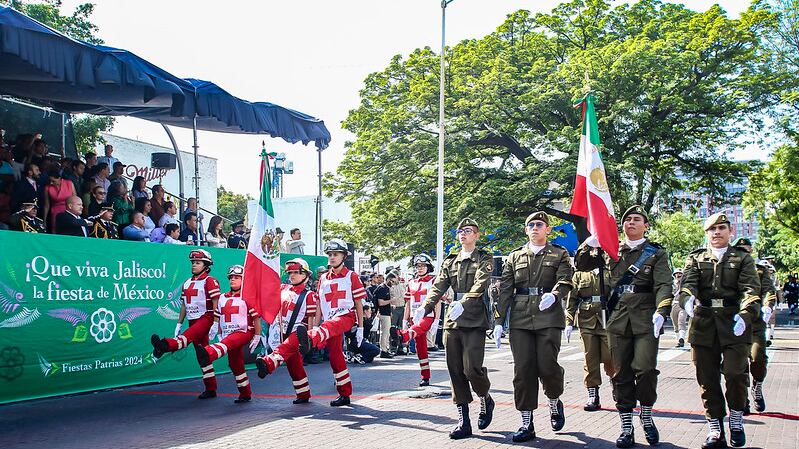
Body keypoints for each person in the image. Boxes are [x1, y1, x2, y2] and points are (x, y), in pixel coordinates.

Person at [575, 205, 672, 448]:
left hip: (645, 318)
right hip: (617, 319)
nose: (630, 223)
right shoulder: (610, 249)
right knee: (620, 373)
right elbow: (582, 264)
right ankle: (626, 423)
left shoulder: (656, 253)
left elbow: (663, 284)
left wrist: (662, 310)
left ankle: (646, 414)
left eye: (636, 220)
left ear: (646, 226)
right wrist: (591, 243)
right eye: (627, 219)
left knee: (646, 368)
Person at [678, 213, 760, 448]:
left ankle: (735, 418)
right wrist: (688, 301)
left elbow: (750, 288)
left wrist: (746, 313)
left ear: (730, 231)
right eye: (712, 229)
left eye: (721, 228)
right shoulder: (696, 258)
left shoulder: (742, 258)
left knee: (736, 372)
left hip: (734, 321)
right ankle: (715, 426)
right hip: (704, 323)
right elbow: (687, 286)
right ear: (706, 233)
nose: (717, 233)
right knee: (707, 378)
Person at [495, 211, 573, 442]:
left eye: (540, 224)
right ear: (526, 230)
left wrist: (556, 294)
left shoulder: (560, 253)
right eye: (531, 225)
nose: (535, 228)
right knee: (523, 370)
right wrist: (499, 322)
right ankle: (526, 422)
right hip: (520, 319)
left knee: (547, 366)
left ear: (548, 229)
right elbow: (506, 290)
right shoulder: (514, 256)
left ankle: (554, 400)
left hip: (548, 316)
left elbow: (566, 279)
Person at [420, 218, 494, 440]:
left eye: (468, 231)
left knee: (472, 369)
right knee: (455, 371)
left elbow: (481, 284)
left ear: (477, 235)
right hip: (453, 321)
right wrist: (426, 305)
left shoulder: (484, 257)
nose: (463, 234)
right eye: (461, 231)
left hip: (474, 318)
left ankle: (485, 397)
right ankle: (464, 420)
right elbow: (439, 285)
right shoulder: (450, 261)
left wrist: (464, 302)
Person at [151, 249, 222, 399]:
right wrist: (179, 323)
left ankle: (164, 346)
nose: (194, 265)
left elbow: (217, 303)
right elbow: (184, 305)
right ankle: (211, 389)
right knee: (202, 355)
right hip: (192, 319)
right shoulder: (187, 283)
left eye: (198, 262)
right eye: (193, 263)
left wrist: (215, 323)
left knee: (186, 337)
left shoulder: (210, 281)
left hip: (206, 317)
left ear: (206, 265)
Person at [304, 239, 366, 407]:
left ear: (344, 256)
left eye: (336, 254)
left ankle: (312, 339)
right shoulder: (323, 278)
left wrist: (360, 327)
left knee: (332, 332)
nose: (332, 257)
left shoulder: (351, 276)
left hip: (346, 317)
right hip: (328, 323)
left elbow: (359, 303)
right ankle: (344, 394)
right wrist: (316, 325)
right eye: (330, 254)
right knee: (335, 356)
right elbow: (318, 305)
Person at [194, 264, 261, 404]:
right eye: (231, 277)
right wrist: (216, 330)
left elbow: (255, 318)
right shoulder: (222, 297)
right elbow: (219, 317)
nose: (232, 280)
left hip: (244, 331)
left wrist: (257, 335)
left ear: (244, 280)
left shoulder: (247, 297)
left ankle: (208, 354)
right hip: (227, 334)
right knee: (235, 363)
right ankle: (245, 393)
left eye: (237, 277)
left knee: (229, 342)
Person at [255, 259, 319, 404]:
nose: (292, 275)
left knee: (284, 350)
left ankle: (268, 363)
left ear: (305, 275)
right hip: (281, 331)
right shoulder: (282, 288)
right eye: (290, 272)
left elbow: (311, 318)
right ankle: (303, 394)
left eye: (296, 272)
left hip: (299, 332)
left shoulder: (309, 295)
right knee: (294, 365)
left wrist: (309, 339)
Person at [731, 238, 775, 415]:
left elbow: (768, 290)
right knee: (738, 366)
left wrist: (767, 305)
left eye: (746, 248)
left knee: (758, 360)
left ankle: (757, 385)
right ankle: (743, 400)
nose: (743, 251)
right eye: (739, 248)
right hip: (734, 323)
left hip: (755, 322)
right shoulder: (728, 268)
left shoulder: (760, 270)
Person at [566, 268, 614, 412]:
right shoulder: (580, 273)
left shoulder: (610, 270)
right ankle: (593, 393)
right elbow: (572, 298)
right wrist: (568, 322)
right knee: (590, 358)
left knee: (611, 356)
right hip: (587, 319)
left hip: (608, 319)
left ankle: (616, 384)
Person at [397, 253, 441, 386]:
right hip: (413, 319)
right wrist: (405, 321)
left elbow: (437, 302)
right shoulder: (411, 283)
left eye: (423, 265)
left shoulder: (433, 281)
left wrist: (437, 320)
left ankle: (404, 336)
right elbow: (408, 304)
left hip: (428, 316)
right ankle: (425, 377)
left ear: (428, 267)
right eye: (418, 266)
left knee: (417, 329)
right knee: (420, 348)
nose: (420, 268)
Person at [372, 272, 393, 358]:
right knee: (385, 332)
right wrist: (391, 300)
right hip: (382, 313)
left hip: (386, 312)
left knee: (386, 332)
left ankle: (385, 349)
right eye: (392, 281)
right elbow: (381, 302)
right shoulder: (382, 288)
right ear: (388, 279)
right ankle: (384, 350)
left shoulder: (384, 288)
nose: (393, 283)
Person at [670, 269, 688, 347]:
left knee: (681, 321)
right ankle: (678, 340)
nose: (678, 275)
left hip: (682, 305)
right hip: (674, 305)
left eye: (680, 273)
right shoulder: (672, 284)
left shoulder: (685, 284)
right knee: (675, 323)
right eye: (677, 274)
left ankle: (682, 339)